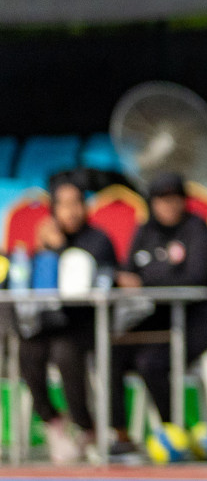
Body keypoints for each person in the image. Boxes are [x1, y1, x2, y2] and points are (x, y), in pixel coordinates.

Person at [109, 172, 207, 448]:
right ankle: (120, 435)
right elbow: (128, 271)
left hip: (201, 320)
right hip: (161, 316)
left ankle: (174, 432)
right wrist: (120, 278)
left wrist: (146, 281)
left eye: (175, 199)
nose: (169, 206)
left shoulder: (198, 230)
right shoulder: (146, 230)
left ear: (184, 201)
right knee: (111, 350)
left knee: (151, 361)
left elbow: (196, 276)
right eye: (162, 200)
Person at [18, 179, 118, 463]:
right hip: (50, 323)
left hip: (87, 324)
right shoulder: (44, 240)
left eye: (76, 203)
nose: (71, 211)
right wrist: (40, 252)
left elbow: (85, 278)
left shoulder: (97, 240)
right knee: (28, 351)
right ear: (54, 210)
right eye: (63, 205)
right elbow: (33, 283)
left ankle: (85, 425)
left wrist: (60, 248)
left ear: (85, 206)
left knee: (65, 352)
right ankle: (52, 420)